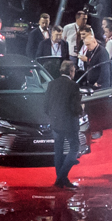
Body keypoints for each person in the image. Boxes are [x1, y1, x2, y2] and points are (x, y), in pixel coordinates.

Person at [44, 61, 83, 189]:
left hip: (55, 123)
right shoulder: (73, 86)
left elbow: (46, 106)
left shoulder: (51, 84)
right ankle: (61, 177)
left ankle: (61, 180)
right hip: (69, 123)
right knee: (74, 148)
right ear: (71, 72)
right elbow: (75, 107)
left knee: (58, 151)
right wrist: (81, 110)